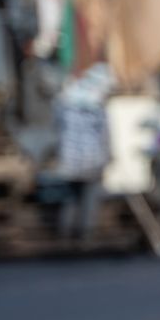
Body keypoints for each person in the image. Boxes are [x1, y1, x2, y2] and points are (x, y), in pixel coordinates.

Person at [51, 61, 113, 247]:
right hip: (92, 159)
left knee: (70, 196)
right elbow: (104, 134)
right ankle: (85, 234)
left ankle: (64, 231)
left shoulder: (66, 102)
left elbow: (57, 127)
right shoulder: (97, 106)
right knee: (89, 197)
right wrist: (109, 155)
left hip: (70, 159)